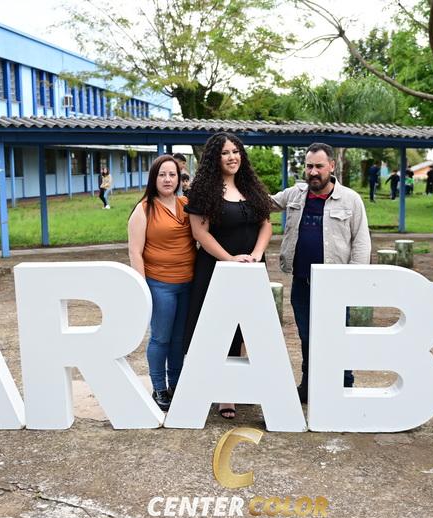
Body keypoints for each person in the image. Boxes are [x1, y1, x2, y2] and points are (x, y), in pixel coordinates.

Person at [270, 142, 371, 404]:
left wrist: (354, 280)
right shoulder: (295, 194)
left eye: (319, 166)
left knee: (338, 336)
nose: (313, 172)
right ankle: (309, 384)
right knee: (306, 335)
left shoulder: (350, 199)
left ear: (332, 166)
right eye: (309, 166)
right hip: (302, 281)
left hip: (336, 285)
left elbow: (361, 242)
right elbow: (266, 203)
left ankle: (344, 384)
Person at [183, 132, 273, 420]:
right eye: (225, 153)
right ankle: (224, 393)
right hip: (217, 268)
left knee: (249, 329)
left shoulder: (252, 187)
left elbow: (266, 225)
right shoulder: (202, 191)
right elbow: (200, 233)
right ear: (214, 158)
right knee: (218, 328)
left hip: (252, 267)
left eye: (235, 151)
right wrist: (230, 259)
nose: (232, 157)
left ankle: (243, 384)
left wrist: (256, 255)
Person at [127, 155, 196, 412]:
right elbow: (135, 252)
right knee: (161, 338)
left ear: (179, 178)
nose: (167, 179)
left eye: (172, 175)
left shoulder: (186, 204)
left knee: (179, 340)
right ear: (153, 178)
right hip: (160, 285)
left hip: (187, 283)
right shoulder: (144, 209)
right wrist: (143, 287)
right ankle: (159, 387)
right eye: (162, 174)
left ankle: (176, 385)